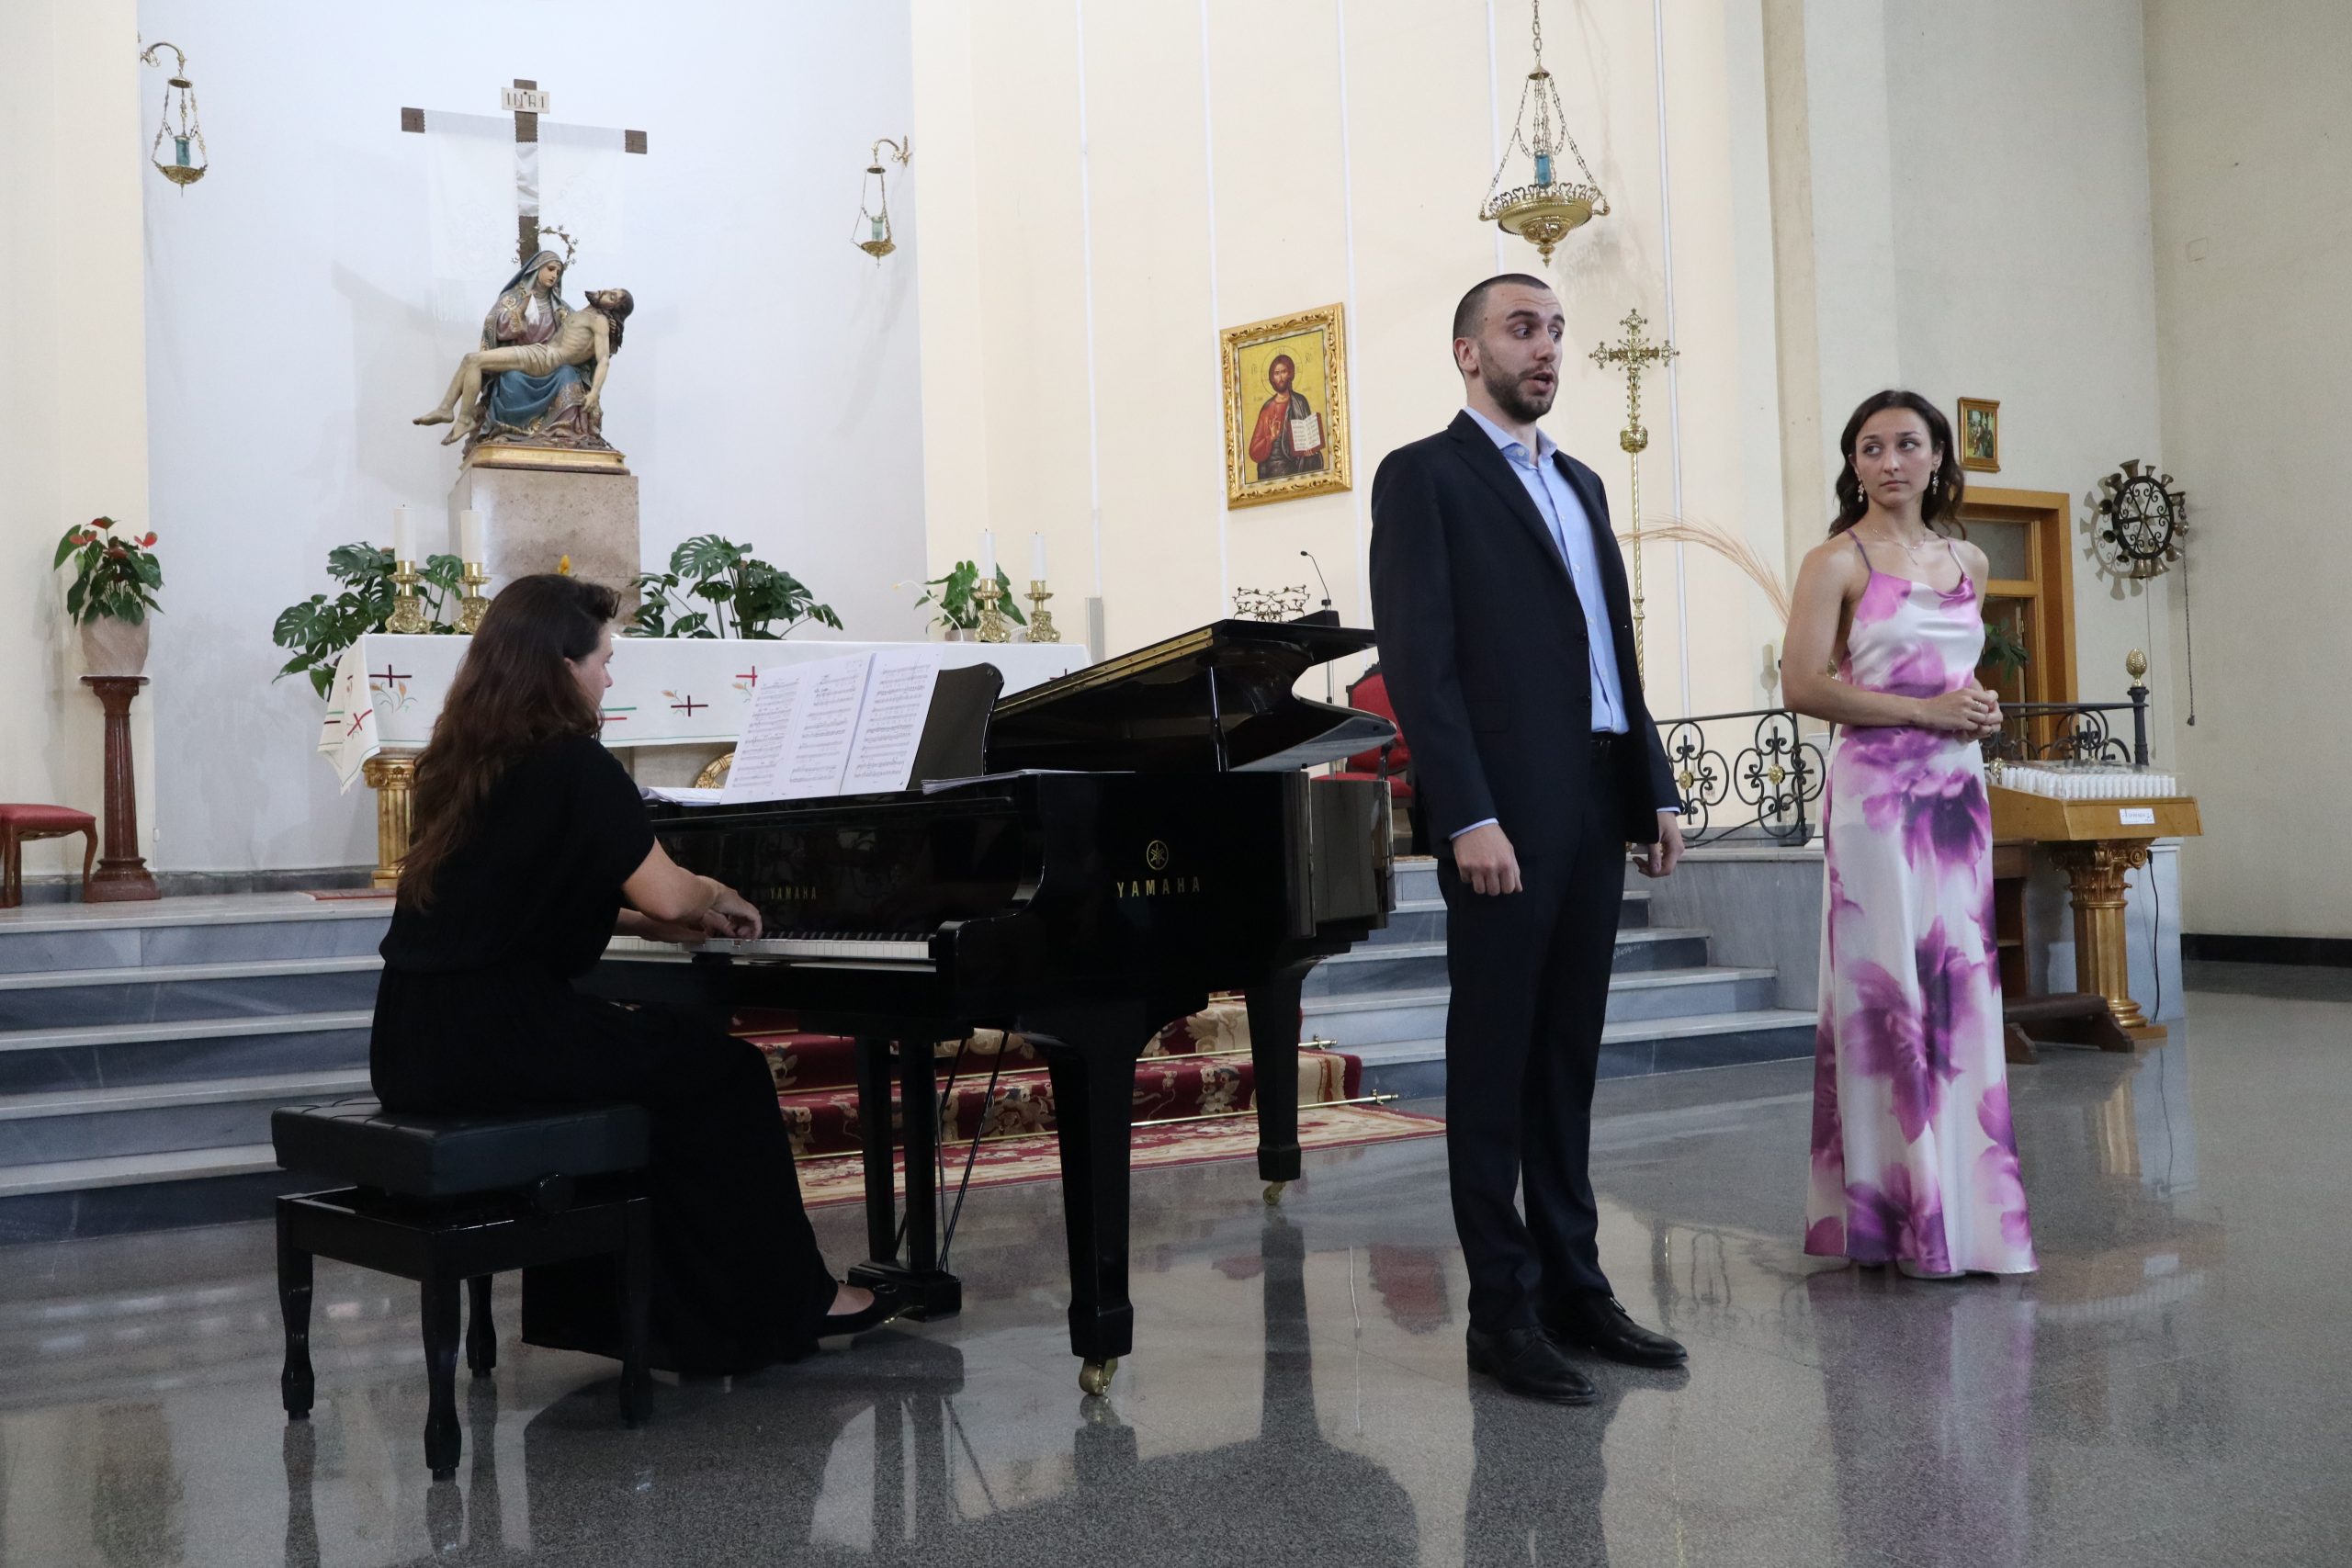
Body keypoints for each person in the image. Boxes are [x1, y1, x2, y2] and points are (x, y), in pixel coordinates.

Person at [368, 573, 894, 1374]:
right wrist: (711, 892)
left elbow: (513, 902)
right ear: (562, 666)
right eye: (604, 659)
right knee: (729, 1075)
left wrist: (643, 923)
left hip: (412, 1043)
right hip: (501, 1036)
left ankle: (632, 1315)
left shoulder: (460, 761)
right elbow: (671, 890)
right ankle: (785, 1303)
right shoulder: (572, 761)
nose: (609, 677)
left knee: (669, 1064)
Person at [1368, 273, 1689, 1404]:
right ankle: (1499, 1313)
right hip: (1503, 811)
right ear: (1468, 352)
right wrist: (1466, 813)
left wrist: (1651, 785)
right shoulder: (1424, 475)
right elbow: (1419, 662)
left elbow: (1612, 654)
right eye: (1520, 329)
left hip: (1594, 797)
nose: (1545, 348)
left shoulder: (1582, 483)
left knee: (1565, 1061)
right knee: (1494, 1064)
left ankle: (1573, 1289)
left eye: (1554, 330)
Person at [1779, 389, 2037, 1280]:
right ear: (1853, 464)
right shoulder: (1834, 561)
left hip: (1956, 795)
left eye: (1906, 444)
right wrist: (1925, 712)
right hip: (1877, 800)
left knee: (1958, 987)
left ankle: (1964, 1218)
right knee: (1888, 986)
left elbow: (1953, 674)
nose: (1889, 461)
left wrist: (1976, 709)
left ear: (1937, 457)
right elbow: (1802, 686)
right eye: (1870, 447)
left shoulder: (1969, 559)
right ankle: (1895, 1218)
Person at [415, 287, 633, 447]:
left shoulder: (599, 321)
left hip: (546, 359)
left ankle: (462, 419)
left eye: (612, 297)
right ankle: (446, 410)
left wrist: (594, 393)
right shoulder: (583, 314)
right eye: (611, 290)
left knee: (473, 360)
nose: (606, 291)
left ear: (612, 308)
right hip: (541, 352)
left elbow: (603, 360)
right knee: (471, 360)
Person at [1245, 353, 1325, 479]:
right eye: (1276, 373)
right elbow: (1254, 451)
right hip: (1273, 468)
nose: (1281, 377)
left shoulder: (1300, 401)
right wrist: (1270, 437)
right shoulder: (1267, 408)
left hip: (1297, 463)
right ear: (1272, 378)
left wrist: (1310, 448)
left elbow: (1309, 435)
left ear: (1290, 374)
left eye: (1283, 372)